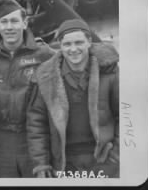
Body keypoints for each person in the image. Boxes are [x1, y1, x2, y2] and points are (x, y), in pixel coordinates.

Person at [27, 19, 119, 178]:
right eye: (67, 44)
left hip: (102, 160)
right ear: (60, 46)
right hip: (64, 162)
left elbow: (124, 116)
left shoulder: (109, 73)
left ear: (89, 42)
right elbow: (37, 124)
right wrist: (41, 163)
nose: (73, 49)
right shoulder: (45, 77)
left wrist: (115, 156)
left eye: (79, 42)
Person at [0, 0, 55, 177]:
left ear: (24, 23)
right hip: (3, 138)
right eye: (4, 22)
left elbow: (74, 56)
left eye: (14, 21)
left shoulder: (44, 54)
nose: (9, 27)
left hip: (35, 139)